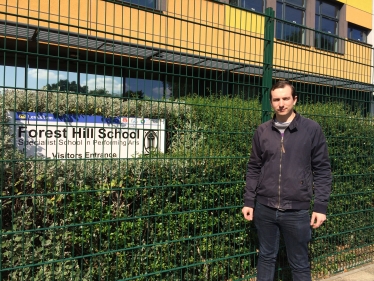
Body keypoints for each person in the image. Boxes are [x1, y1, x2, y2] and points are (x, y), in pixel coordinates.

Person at [242, 80, 332, 281]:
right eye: (276, 99)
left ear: (295, 99)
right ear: (271, 102)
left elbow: (322, 169)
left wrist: (320, 206)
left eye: (285, 98)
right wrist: (249, 201)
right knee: (265, 257)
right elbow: (254, 167)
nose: (281, 103)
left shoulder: (311, 129)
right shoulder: (262, 131)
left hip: (296, 210)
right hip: (265, 207)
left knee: (299, 263)